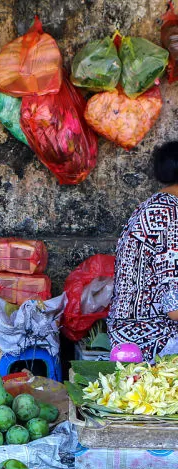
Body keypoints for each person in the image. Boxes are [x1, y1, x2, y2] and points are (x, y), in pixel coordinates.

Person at [108, 141, 178, 361]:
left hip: (124, 333)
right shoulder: (171, 217)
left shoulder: (151, 206)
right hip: (151, 340)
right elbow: (175, 309)